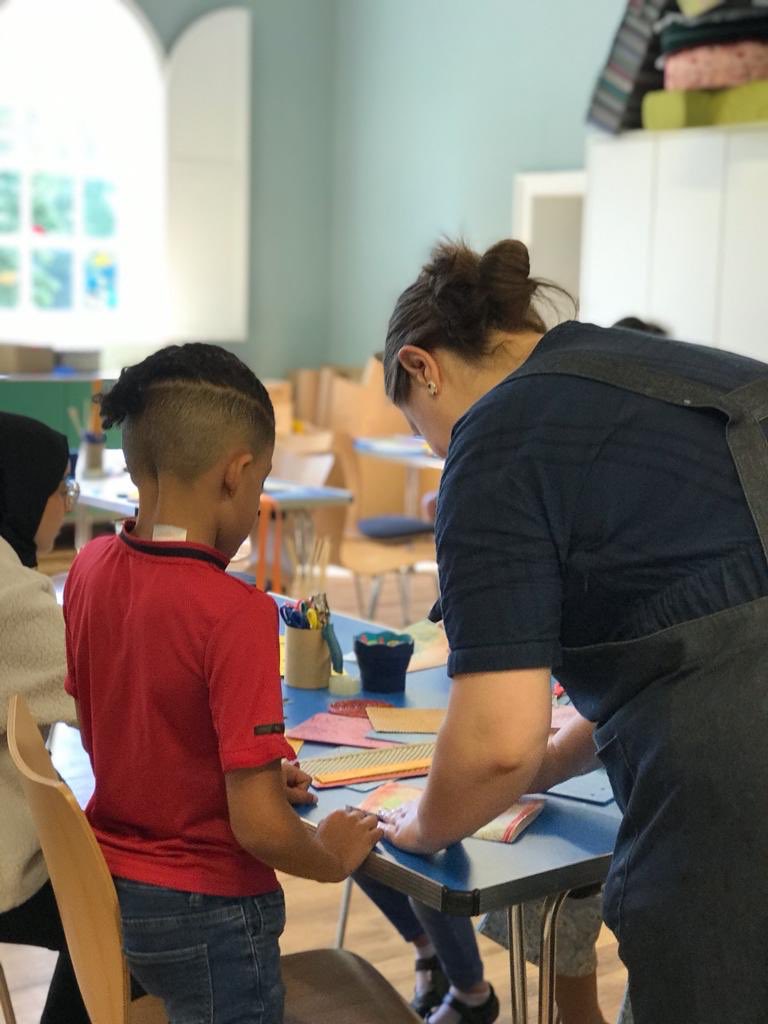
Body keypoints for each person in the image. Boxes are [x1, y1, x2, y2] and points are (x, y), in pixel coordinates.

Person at [378, 238, 768, 1024]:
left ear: (423, 366)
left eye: (428, 433)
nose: (439, 451)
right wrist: (557, 756)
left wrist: (420, 826)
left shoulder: (494, 436)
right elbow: (692, 619)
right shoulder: (662, 373)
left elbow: (494, 745)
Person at [63, 344, 383, 1024]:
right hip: (211, 917)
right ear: (237, 474)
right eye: (263, 483)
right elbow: (261, 825)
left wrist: (255, 773)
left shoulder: (88, 569)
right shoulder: (234, 611)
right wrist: (328, 859)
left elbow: (135, 728)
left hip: (119, 894)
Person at [0, 412, 89, 1023]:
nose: (65, 503)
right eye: (63, 487)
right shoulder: (12, 596)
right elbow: (103, 706)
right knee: (140, 913)